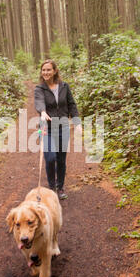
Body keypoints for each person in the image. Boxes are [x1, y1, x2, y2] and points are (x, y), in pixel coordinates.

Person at [34, 59, 82, 200]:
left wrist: (77, 122)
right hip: (46, 128)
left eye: (49, 70)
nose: (46, 72)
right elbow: (39, 101)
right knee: (50, 158)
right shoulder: (39, 89)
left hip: (63, 127)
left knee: (61, 159)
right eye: (43, 70)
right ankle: (51, 187)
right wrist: (42, 112)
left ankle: (60, 187)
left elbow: (72, 105)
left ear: (55, 71)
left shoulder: (64, 86)